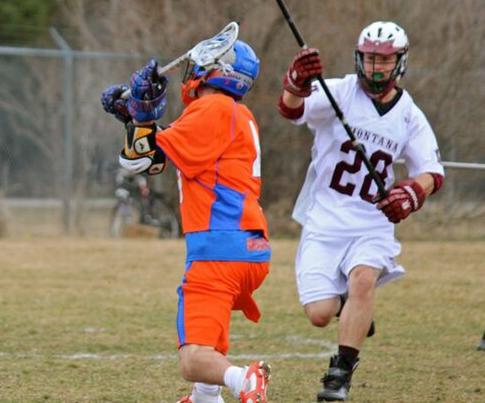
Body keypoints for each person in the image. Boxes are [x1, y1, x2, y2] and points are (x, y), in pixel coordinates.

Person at [277, 21, 445, 401]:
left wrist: (411, 193)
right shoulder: (338, 92)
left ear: (400, 62)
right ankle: (354, 309)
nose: (376, 67)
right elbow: (291, 109)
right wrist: (295, 83)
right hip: (324, 219)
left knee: (363, 280)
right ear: (359, 57)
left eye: (384, 60)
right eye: (370, 58)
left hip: (372, 220)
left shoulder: (409, 115)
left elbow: (432, 172)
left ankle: (340, 373)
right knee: (319, 313)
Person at [102, 39, 271, 403]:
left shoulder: (212, 108)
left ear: (214, 71)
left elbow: (138, 161)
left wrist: (142, 117)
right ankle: (205, 397)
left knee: (193, 359)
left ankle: (244, 381)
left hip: (218, 251)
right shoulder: (234, 113)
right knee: (207, 346)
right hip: (247, 249)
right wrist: (133, 117)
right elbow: (158, 156)